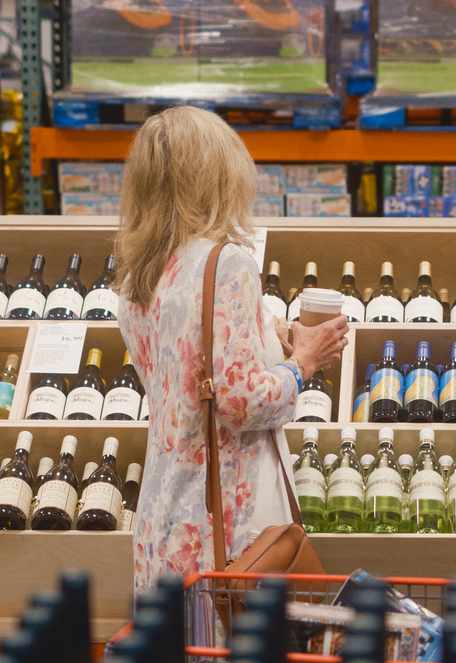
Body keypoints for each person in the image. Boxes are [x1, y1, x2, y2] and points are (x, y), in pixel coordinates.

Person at [114, 106, 348, 598]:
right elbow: (242, 402)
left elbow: (186, 372)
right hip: (226, 523)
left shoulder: (140, 277)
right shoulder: (227, 263)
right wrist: (303, 362)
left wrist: (269, 331)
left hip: (162, 518)